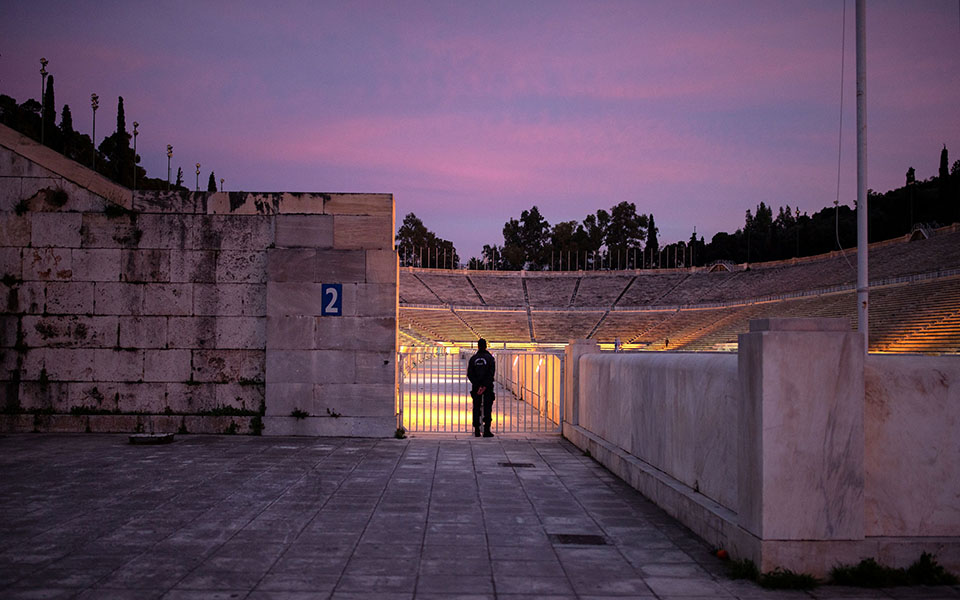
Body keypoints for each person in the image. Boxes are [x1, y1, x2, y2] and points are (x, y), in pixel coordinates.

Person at [467, 338, 496, 438]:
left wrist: (478, 385)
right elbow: (491, 373)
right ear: (486, 346)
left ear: (478, 346)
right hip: (487, 387)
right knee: (487, 408)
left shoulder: (473, 359)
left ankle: (477, 430)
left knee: (476, 407)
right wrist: (484, 386)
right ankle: (487, 430)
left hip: (476, 387)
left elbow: (470, 374)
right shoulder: (490, 358)